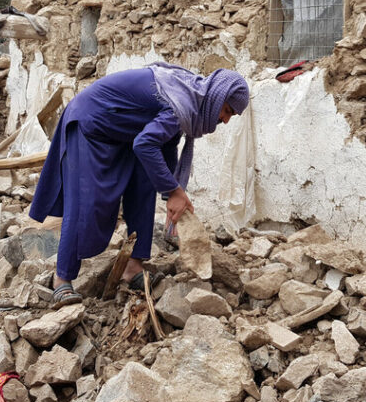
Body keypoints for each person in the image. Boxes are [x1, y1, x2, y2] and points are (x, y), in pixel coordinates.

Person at [29, 62, 250, 308]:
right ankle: (62, 280)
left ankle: (133, 269)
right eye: (227, 110)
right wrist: (173, 190)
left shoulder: (188, 99)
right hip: (91, 123)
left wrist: (172, 193)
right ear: (217, 97)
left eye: (232, 116)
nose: (226, 120)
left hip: (124, 132)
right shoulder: (181, 102)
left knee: (145, 187)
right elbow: (146, 144)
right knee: (86, 202)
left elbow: (165, 146)